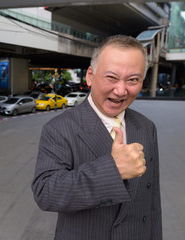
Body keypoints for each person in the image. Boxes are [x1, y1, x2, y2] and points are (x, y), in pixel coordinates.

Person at [32, 35, 162, 240]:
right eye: (111, 77)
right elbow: (45, 193)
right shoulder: (59, 128)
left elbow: (152, 202)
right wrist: (112, 170)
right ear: (90, 76)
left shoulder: (146, 127)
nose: (121, 90)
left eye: (133, 80)